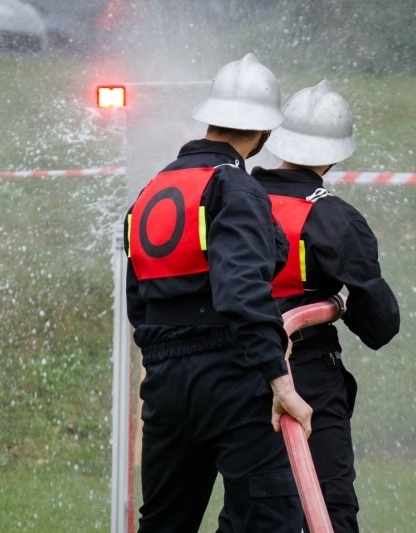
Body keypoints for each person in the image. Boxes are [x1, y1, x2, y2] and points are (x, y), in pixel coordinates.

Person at [124, 53, 312, 533]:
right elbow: (241, 291)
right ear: (265, 133)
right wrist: (279, 379)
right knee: (270, 520)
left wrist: (168, 364)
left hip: (164, 382)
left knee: (165, 521)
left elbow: (137, 299)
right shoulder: (236, 188)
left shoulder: (151, 189)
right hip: (231, 376)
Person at [252, 80, 401, 533]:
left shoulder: (235, 197)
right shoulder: (333, 216)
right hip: (306, 373)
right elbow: (380, 324)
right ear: (337, 153)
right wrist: (342, 305)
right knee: (328, 506)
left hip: (229, 368)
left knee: (252, 509)